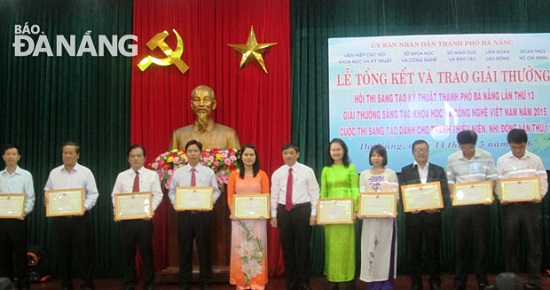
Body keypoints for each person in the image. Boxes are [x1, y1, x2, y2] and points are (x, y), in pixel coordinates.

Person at [496, 129, 547, 290]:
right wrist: (502, 196)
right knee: (511, 244)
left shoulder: (535, 159)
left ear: (526, 144)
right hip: (510, 207)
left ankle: (534, 281)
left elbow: (543, 181)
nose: (517, 151)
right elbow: (498, 184)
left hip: (531, 207)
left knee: (534, 244)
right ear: (509, 145)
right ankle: (512, 281)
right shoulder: (502, 160)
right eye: (514, 147)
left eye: (521, 147)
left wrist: (539, 195)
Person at [446, 130, 497, 290]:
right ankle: (460, 281)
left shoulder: (486, 156)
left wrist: (488, 194)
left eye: (470, 148)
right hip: (461, 208)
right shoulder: (453, 158)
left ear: (475, 144)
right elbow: (450, 180)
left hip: (481, 207)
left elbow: (492, 179)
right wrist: (453, 195)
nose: (467, 151)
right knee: (461, 245)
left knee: (481, 245)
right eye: (464, 148)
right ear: (459, 146)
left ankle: (482, 280)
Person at [44, 141, 99, 290]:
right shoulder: (54, 172)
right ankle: (66, 284)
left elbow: (93, 194)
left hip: (80, 219)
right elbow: (47, 190)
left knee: (84, 253)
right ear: (62, 154)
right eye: (65, 153)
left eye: (71, 153)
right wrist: (48, 201)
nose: (67, 155)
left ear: (77, 155)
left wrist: (83, 207)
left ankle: (87, 283)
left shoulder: (85, 172)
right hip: (60, 220)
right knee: (63, 253)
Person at [168, 140, 221, 290]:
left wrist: (208, 203)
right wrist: (176, 204)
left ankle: (206, 282)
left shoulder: (208, 172)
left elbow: (216, 191)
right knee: (184, 249)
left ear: (200, 153)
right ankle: (185, 282)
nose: (193, 154)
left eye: (195, 151)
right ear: (186, 153)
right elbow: (172, 191)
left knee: (204, 248)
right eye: (190, 151)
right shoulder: (178, 173)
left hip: (203, 215)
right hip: (184, 215)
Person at [111, 145, 163, 290]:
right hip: (126, 220)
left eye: (139, 156)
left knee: (147, 252)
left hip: (145, 220)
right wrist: (117, 211)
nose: (136, 158)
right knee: (127, 252)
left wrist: (150, 210)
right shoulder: (122, 176)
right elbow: (115, 195)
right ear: (128, 159)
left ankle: (149, 282)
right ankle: (129, 282)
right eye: (133, 156)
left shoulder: (152, 175)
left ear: (144, 158)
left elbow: (158, 195)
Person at [400, 140, 449, 290]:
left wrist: (438, 207)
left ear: (428, 151)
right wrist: (409, 208)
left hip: (433, 217)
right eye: (418, 150)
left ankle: (435, 281)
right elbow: (402, 194)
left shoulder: (438, 170)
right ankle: (416, 281)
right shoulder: (406, 170)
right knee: (414, 251)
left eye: (424, 149)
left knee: (433, 251)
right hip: (413, 218)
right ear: (413, 152)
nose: (421, 152)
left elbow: (445, 193)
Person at [270, 142, 319, 290]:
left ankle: (304, 281)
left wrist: (313, 213)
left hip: (302, 211)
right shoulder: (278, 173)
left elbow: (315, 193)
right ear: (282, 155)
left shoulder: (307, 171)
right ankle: (291, 281)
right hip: (284, 212)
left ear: (297, 154)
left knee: (303, 248)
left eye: (291, 153)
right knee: (287, 248)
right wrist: (273, 215)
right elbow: (274, 195)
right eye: (285, 153)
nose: (288, 156)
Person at [227, 144, 270, 290]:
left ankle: (257, 282)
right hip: (239, 219)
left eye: (252, 155)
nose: (249, 157)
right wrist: (234, 212)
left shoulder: (262, 175)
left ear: (256, 157)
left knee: (257, 247)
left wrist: (263, 212)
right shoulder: (234, 175)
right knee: (241, 249)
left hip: (258, 219)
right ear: (241, 157)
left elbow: (266, 196)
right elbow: (230, 198)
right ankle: (242, 282)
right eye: (246, 155)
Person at [320, 138, 359, 290]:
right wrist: (322, 213)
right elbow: (323, 192)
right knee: (332, 247)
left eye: (338, 149)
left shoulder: (351, 168)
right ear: (329, 152)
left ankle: (347, 278)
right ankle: (333, 278)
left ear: (344, 151)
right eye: (333, 150)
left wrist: (354, 210)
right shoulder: (326, 170)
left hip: (346, 214)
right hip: (330, 215)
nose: (335, 152)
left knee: (346, 247)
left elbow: (355, 190)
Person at [358, 145, 398, 290]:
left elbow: (395, 197)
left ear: (384, 157)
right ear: (370, 157)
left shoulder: (391, 173)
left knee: (386, 250)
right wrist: (362, 210)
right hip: (369, 219)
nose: (376, 158)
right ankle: (372, 282)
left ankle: (386, 283)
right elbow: (362, 196)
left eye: (379, 155)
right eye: (373, 155)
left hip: (387, 219)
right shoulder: (363, 174)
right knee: (371, 249)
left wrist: (390, 209)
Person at [0, 144, 35, 290]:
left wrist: (23, 212)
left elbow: (31, 198)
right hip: (1, 221)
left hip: (19, 220)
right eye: (8, 154)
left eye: (13, 154)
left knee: (20, 253)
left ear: (18, 157)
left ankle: (23, 284)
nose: (10, 157)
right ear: (3, 157)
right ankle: (4, 283)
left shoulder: (26, 175)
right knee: (3, 253)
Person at [170, 85, 241, 150]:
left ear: (214, 104)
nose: (201, 104)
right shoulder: (178, 135)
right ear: (192, 105)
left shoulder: (229, 134)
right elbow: (171, 162)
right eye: (197, 100)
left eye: (206, 100)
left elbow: (237, 162)